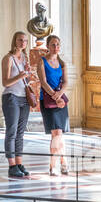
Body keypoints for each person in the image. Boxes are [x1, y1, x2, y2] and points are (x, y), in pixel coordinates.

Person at [37, 34, 70, 176]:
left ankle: (57, 164)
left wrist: (60, 95)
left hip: (60, 100)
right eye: (53, 45)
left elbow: (66, 82)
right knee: (56, 133)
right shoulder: (42, 61)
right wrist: (54, 96)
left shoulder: (62, 63)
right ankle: (58, 164)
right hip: (47, 99)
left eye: (57, 45)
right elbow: (43, 82)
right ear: (48, 46)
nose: (56, 47)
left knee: (58, 134)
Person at [1, 30, 33, 179]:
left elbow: (25, 79)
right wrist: (19, 76)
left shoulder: (25, 58)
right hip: (11, 97)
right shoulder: (8, 58)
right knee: (11, 131)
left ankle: (19, 163)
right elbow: (5, 82)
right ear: (15, 41)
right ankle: (11, 165)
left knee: (21, 132)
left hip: (24, 98)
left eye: (25, 41)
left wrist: (28, 76)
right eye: (20, 40)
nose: (23, 43)